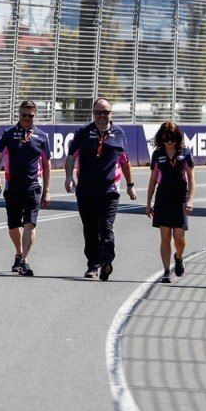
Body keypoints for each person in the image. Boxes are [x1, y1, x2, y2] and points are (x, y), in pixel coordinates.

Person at [66, 97, 137, 281]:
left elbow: (125, 162)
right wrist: (68, 177)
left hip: (109, 191)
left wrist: (130, 186)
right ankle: (93, 265)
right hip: (86, 190)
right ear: (93, 114)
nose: (102, 116)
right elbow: (71, 157)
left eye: (105, 112)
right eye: (98, 112)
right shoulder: (83, 132)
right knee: (90, 229)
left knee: (106, 227)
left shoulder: (119, 133)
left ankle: (106, 261)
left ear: (110, 113)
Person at [0, 100, 51, 277]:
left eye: (30, 116)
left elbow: (47, 165)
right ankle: (18, 253)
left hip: (33, 186)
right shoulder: (8, 133)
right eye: (24, 115)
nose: (27, 118)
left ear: (35, 115)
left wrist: (47, 189)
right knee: (14, 224)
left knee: (29, 224)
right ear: (19, 114)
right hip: (13, 186)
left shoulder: (42, 136)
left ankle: (25, 260)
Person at [145, 122, 195, 283]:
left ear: (177, 137)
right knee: (165, 236)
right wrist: (148, 203)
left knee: (179, 237)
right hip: (163, 197)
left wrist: (190, 199)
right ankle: (166, 271)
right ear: (161, 138)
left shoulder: (185, 153)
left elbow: (192, 178)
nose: (169, 142)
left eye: (172, 138)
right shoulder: (157, 154)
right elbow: (153, 180)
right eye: (165, 139)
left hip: (180, 197)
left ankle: (179, 257)